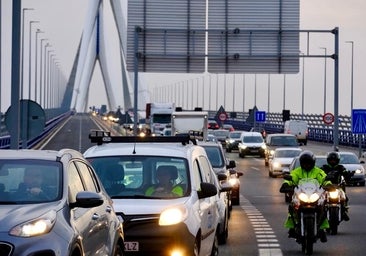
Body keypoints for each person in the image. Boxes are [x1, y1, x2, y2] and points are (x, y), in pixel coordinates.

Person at [280, 150, 331, 242]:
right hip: (301, 195)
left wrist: (328, 184)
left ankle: (322, 229)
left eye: (309, 163)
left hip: (314, 195)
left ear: (313, 163)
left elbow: (324, 178)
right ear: (301, 163)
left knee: (323, 207)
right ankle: (292, 227)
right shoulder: (297, 171)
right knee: (292, 206)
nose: (307, 165)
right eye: (304, 163)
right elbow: (292, 177)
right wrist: (286, 184)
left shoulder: (318, 171)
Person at [322, 151, 352, 221]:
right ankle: (321, 212)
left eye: (334, 160)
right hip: (326, 187)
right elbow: (319, 174)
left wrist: (348, 175)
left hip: (337, 187)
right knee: (320, 199)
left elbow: (345, 173)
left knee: (345, 197)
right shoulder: (324, 168)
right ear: (328, 160)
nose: (333, 162)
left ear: (337, 161)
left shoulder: (340, 167)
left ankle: (344, 211)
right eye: (331, 160)